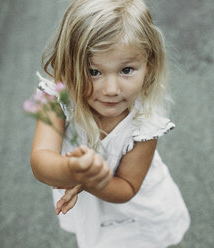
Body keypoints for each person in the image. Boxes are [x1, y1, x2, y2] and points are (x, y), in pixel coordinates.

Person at [30, 0, 190, 247]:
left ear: (149, 65)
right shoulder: (56, 100)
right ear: (69, 65)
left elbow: (127, 187)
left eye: (126, 70)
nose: (111, 90)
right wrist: (72, 170)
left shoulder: (144, 126)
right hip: (95, 216)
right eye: (94, 72)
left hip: (137, 218)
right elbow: (41, 160)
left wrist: (91, 180)